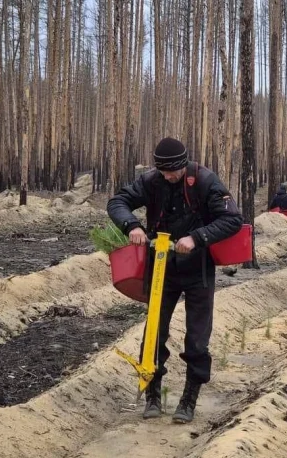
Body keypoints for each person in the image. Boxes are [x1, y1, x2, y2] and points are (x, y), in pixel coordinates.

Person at [107, 137, 242, 424]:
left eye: (173, 171)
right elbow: (118, 202)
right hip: (161, 268)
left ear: (183, 165)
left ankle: (188, 399)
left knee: (196, 338)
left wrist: (197, 237)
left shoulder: (205, 180)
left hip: (198, 269)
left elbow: (232, 220)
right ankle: (152, 395)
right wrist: (132, 225)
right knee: (153, 333)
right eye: (163, 171)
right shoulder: (151, 181)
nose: (168, 176)